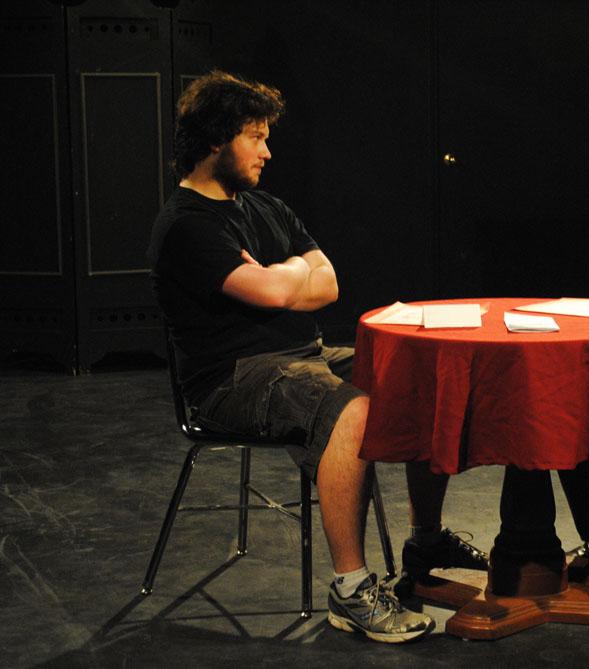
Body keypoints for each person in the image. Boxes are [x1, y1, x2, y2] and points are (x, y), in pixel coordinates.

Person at [147, 70, 486, 643]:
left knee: (418, 379)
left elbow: (326, 282)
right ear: (215, 140)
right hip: (231, 378)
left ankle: (424, 537)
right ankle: (350, 590)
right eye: (255, 136)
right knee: (349, 410)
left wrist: (280, 273)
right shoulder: (186, 225)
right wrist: (289, 274)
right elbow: (280, 292)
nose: (267, 150)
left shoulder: (266, 207)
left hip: (304, 353)